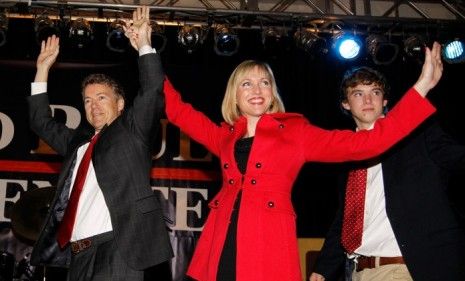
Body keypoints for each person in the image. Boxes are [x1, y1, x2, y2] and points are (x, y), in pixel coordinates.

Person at [157, 39, 443, 281]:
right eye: (247, 83)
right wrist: (147, 51)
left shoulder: (296, 134)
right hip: (220, 246)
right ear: (235, 95)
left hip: (267, 248)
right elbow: (180, 112)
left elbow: (367, 143)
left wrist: (421, 88)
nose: (256, 90)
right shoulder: (225, 137)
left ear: (272, 94)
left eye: (264, 82)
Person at [27, 6, 173, 281]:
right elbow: (40, 122)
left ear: (120, 104)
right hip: (79, 254)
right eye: (87, 100)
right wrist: (42, 70)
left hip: (118, 246)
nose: (93, 106)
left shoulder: (132, 131)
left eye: (102, 98)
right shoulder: (77, 142)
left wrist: (143, 45)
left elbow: (153, 91)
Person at [309, 67, 465, 281]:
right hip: (358, 271)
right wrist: (324, 267)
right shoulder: (345, 154)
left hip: (403, 268)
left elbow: (458, 157)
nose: (367, 100)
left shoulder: (418, 135)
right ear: (345, 104)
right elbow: (348, 218)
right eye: (358, 93)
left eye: (375, 92)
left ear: (384, 101)